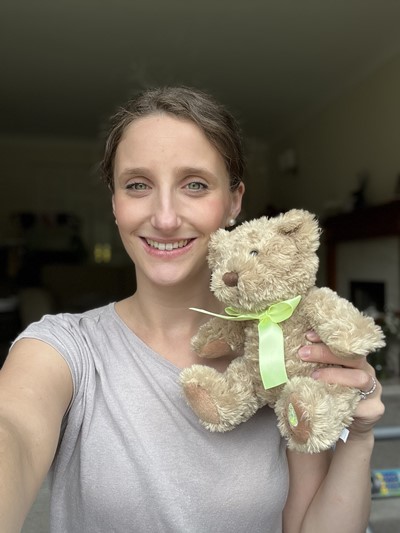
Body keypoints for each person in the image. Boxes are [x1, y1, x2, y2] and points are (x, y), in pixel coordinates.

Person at [0, 86, 384, 533]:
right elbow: (14, 431)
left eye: (195, 185)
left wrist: (358, 436)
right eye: (138, 185)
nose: (164, 218)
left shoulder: (281, 349)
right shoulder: (64, 347)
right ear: (114, 202)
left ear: (234, 201)